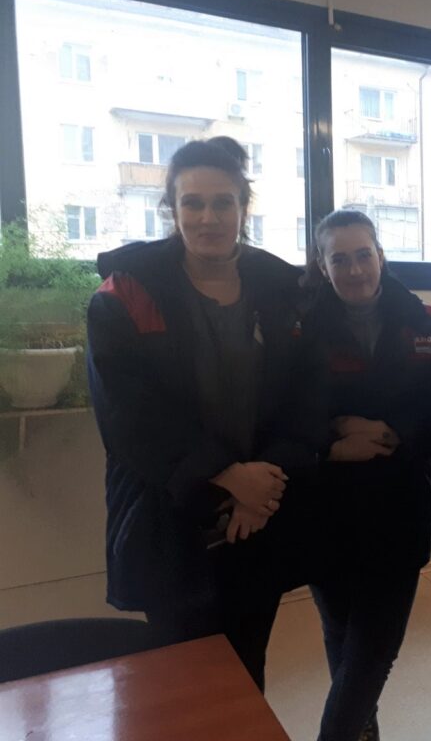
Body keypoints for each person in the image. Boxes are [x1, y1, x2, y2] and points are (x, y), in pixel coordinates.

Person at [87, 136, 324, 690]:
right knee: (181, 685)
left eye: (223, 203)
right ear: (171, 208)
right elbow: (128, 418)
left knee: (247, 674)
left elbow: (307, 401)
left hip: (259, 516)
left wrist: (262, 487)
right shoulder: (125, 294)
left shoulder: (286, 291)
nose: (208, 217)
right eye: (192, 203)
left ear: (244, 207)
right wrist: (227, 475)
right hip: (170, 520)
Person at [302, 210, 431, 741]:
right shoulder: (296, 327)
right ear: (322, 266)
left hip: (398, 513)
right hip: (324, 515)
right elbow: (279, 411)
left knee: (372, 654)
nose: (354, 270)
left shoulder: (428, 323)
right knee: (343, 637)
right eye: (339, 259)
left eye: (363, 254)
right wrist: (332, 440)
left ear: (381, 256)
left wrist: (394, 432)